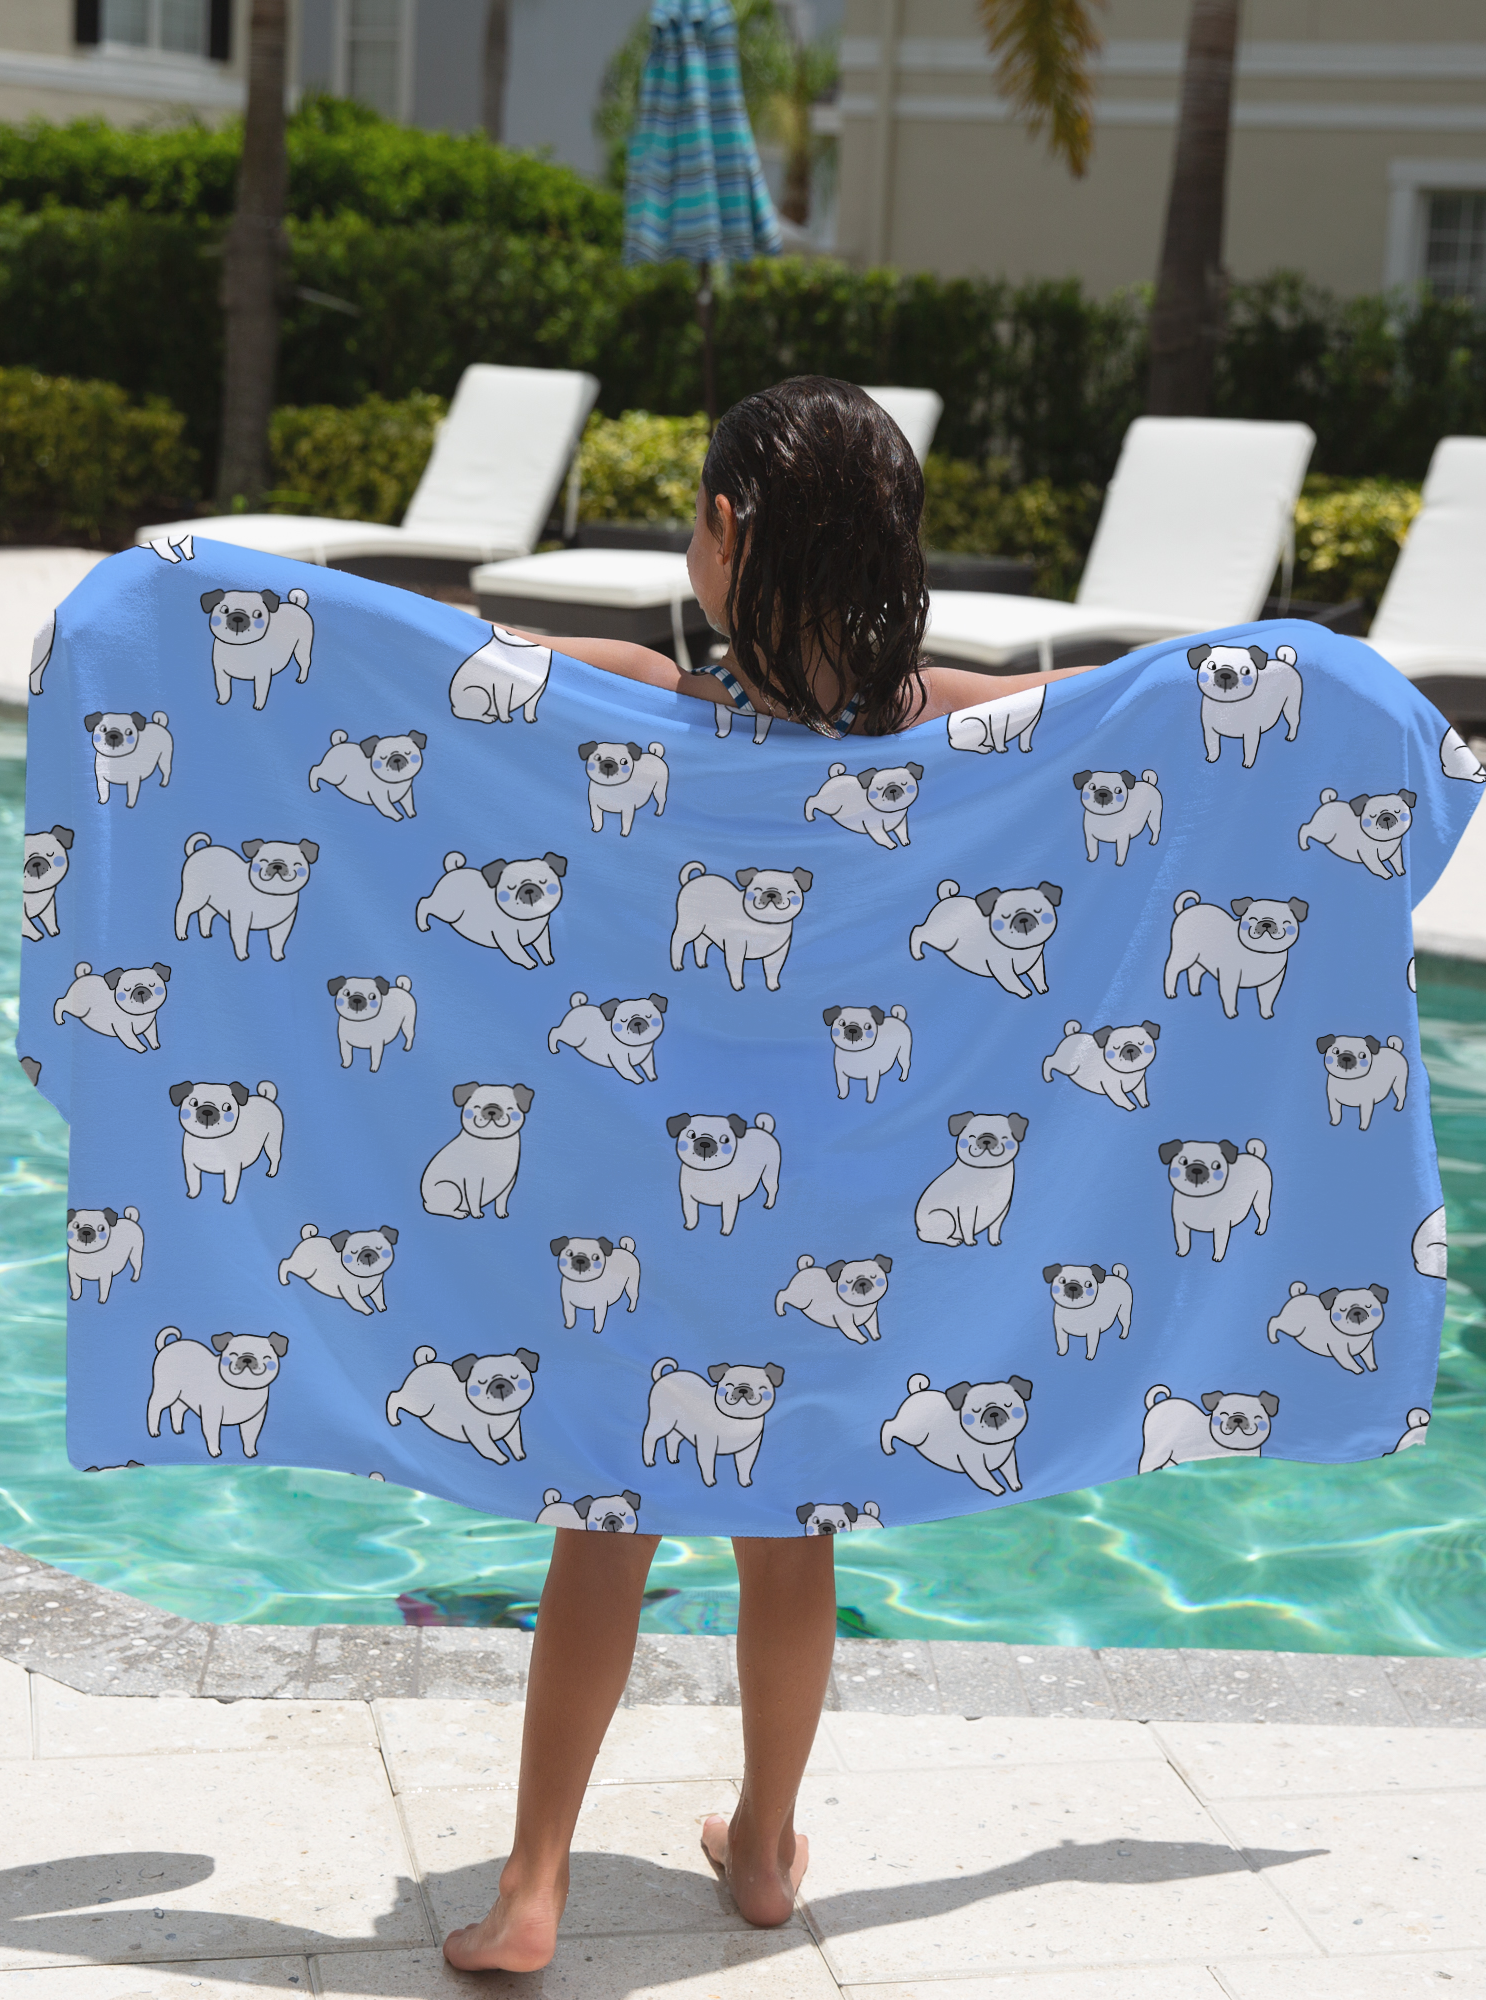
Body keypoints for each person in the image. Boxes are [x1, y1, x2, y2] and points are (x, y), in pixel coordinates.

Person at [443, 376, 1090, 1975]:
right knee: (791, 1532)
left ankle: (535, 1883)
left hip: (641, 1202)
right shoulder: (930, 725)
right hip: (832, 1217)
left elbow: (421, 665)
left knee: (606, 1523)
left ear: (724, 533)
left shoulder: (636, 702)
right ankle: (762, 1847)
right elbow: (1131, 708)